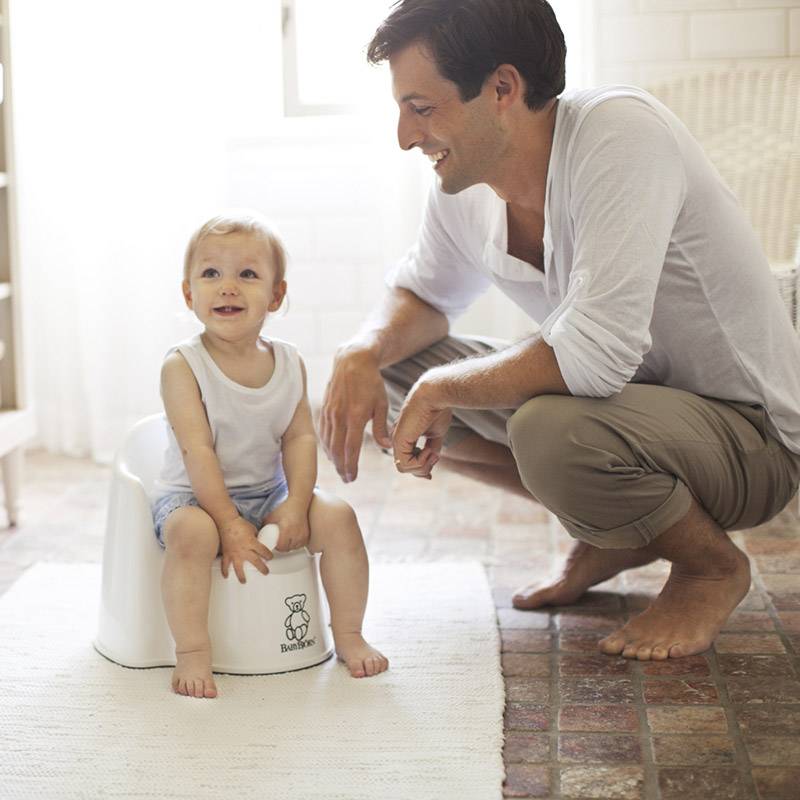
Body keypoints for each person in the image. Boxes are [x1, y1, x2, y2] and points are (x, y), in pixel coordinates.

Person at [320, 0, 800, 662]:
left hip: (753, 439)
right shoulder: (464, 185)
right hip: (634, 416)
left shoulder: (620, 135)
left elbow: (598, 355)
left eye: (422, 108)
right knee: (396, 372)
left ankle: (709, 567)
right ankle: (620, 529)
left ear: (502, 88)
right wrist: (360, 352)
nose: (405, 137)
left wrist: (444, 387)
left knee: (548, 430)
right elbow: (423, 295)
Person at [152, 211, 388, 698]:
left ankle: (348, 633)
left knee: (339, 518)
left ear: (276, 296)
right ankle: (193, 650)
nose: (228, 287)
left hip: (268, 493)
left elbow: (299, 439)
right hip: (195, 498)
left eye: (247, 274)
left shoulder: (288, 362)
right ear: (189, 293)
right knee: (192, 534)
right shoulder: (183, 366)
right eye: (211, 273)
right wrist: (227, 522)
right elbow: (198, 451)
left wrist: (297, 504)